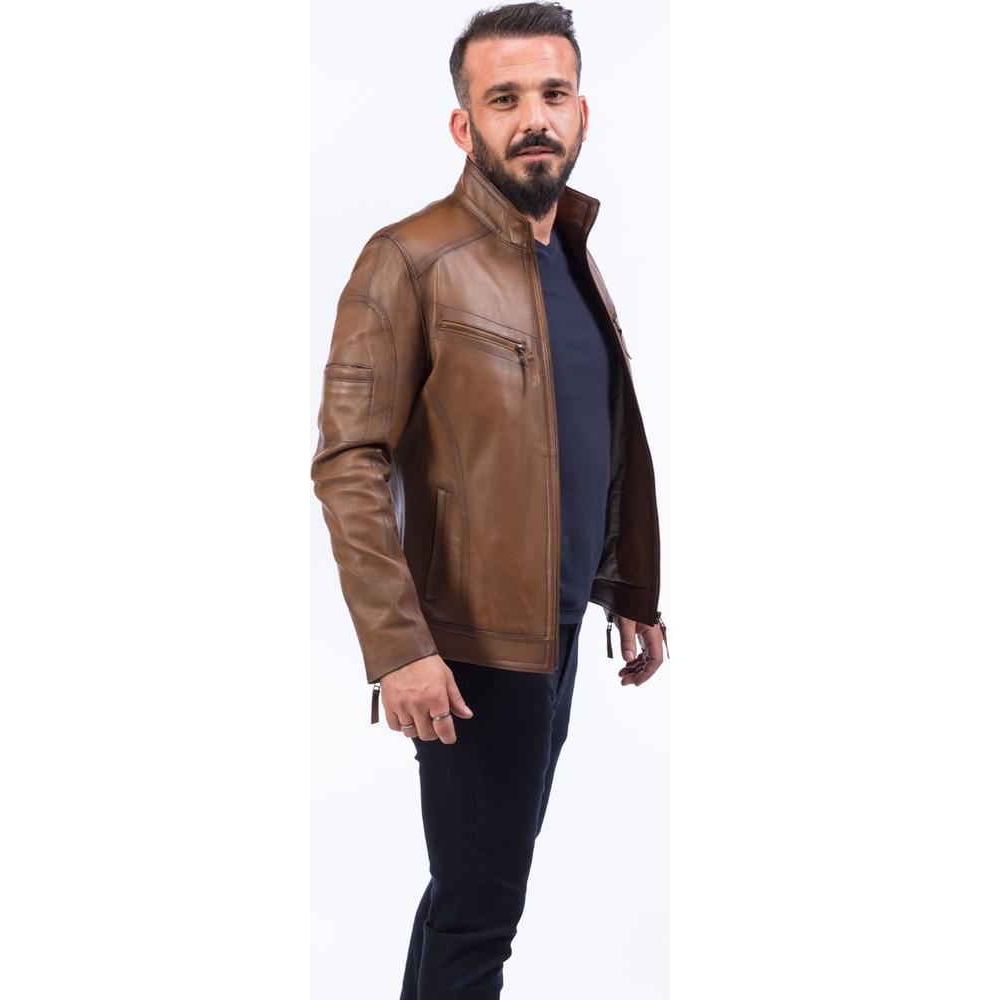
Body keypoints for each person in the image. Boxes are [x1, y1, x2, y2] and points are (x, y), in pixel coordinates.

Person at [310, 3, 667, 996]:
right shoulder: (409, 258)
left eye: (553, 93)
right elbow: (347, 460)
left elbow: (583, 437)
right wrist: (400, 648)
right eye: (503, 98)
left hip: (553, 631)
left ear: (582, 113)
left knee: (468, 901)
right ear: (463, 125)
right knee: (479, 916)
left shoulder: (571, 254)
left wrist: (626, 587)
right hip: (470, 650)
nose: (534, 117)